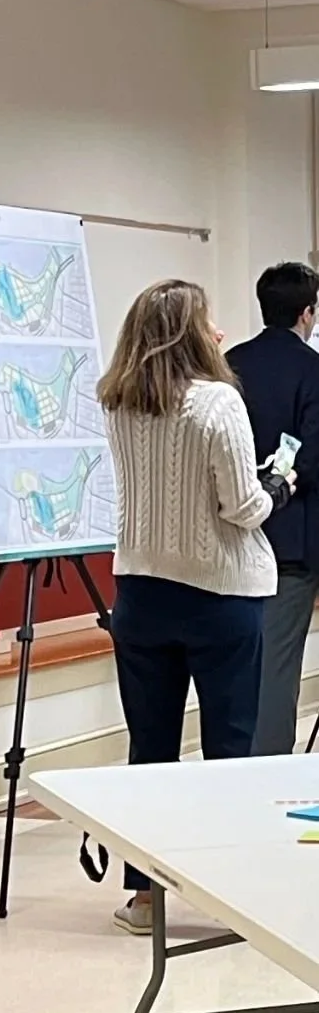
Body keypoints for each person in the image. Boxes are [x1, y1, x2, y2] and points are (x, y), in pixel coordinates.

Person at [101, 278, 289, 934]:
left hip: (140, 594)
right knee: (228, 748)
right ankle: (227, 896)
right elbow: (241, 508)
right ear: (189, 334)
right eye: (207, 322)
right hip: (219, 596)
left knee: (148, 751)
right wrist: (278, 486)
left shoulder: (117, 401)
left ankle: (144, 897)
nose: (217, 333)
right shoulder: (217, 403)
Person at [226, 262, 319, 755]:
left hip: (231, 539)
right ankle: (265, 777)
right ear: (308, 313)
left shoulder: (228, 364)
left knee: (239, 669)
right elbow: (314, 458)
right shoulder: (313, 371)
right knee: (278, 671)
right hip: (290, 544)